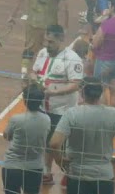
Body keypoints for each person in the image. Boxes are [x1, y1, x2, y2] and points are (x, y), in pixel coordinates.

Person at [30, 25, 85, 185]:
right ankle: (47, 171)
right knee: (47, 141)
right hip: (43, 107)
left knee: (59, 145)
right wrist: (35, 80)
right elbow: (34, 72)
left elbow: (76, 84)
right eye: (46, 41)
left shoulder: (72, 59)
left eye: (51, 42)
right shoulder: (42, 53)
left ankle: (69, 171)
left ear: (61, 39)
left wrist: (53, 93)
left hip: (62, 110)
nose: (47, 45)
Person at [9, 0, 69, 70]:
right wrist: (65, 27)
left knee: (29, 51)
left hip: (33, 23)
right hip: (50, 25)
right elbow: (64, 8)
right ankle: (43, 76)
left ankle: (25, 76)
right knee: (49, 52)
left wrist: (12, 16)